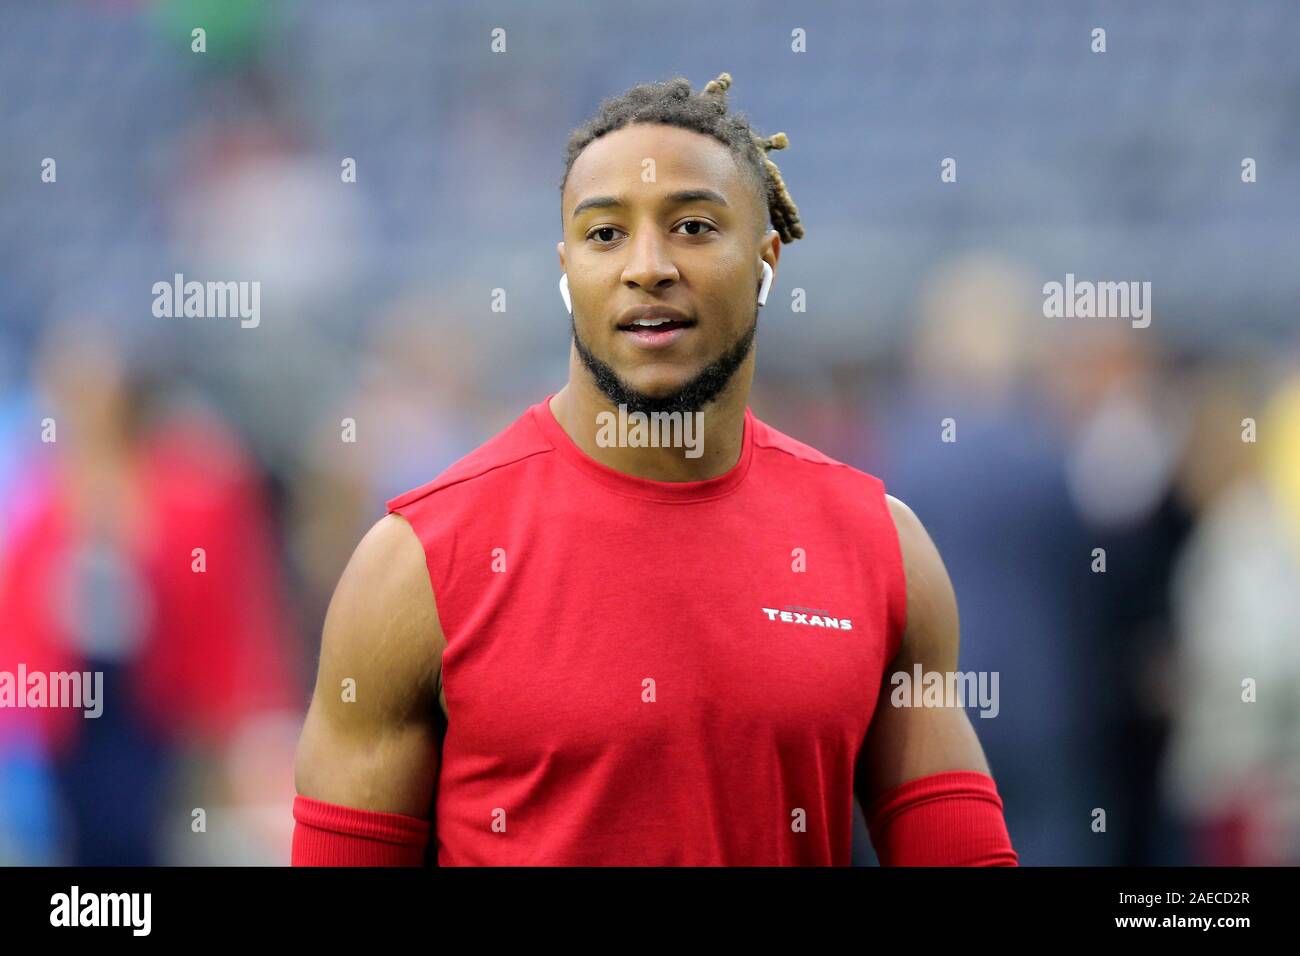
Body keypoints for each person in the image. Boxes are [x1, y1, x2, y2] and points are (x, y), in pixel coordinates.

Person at [292, 73, 1017, 866]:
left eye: (694, 227)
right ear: (567, 267)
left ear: (767, 258)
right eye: (605, 234)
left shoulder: (881, 547)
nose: (648, 265)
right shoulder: (417, 564)